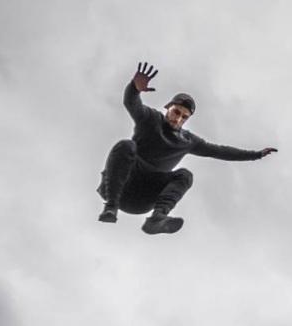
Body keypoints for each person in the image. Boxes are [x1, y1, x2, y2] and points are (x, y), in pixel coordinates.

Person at [97, 62, 277, 234]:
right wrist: (134, 88)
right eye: (176, 112)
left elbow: (220, 151)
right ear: (168, 108)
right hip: (121, 185)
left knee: (185, 175)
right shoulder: (151, 119)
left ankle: (157, 218)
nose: (178, 119)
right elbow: (132, 104)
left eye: (184, 117)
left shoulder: (188, 141)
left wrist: (256, 155)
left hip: (143, 199)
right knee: (126, 145)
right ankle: (111, 208)